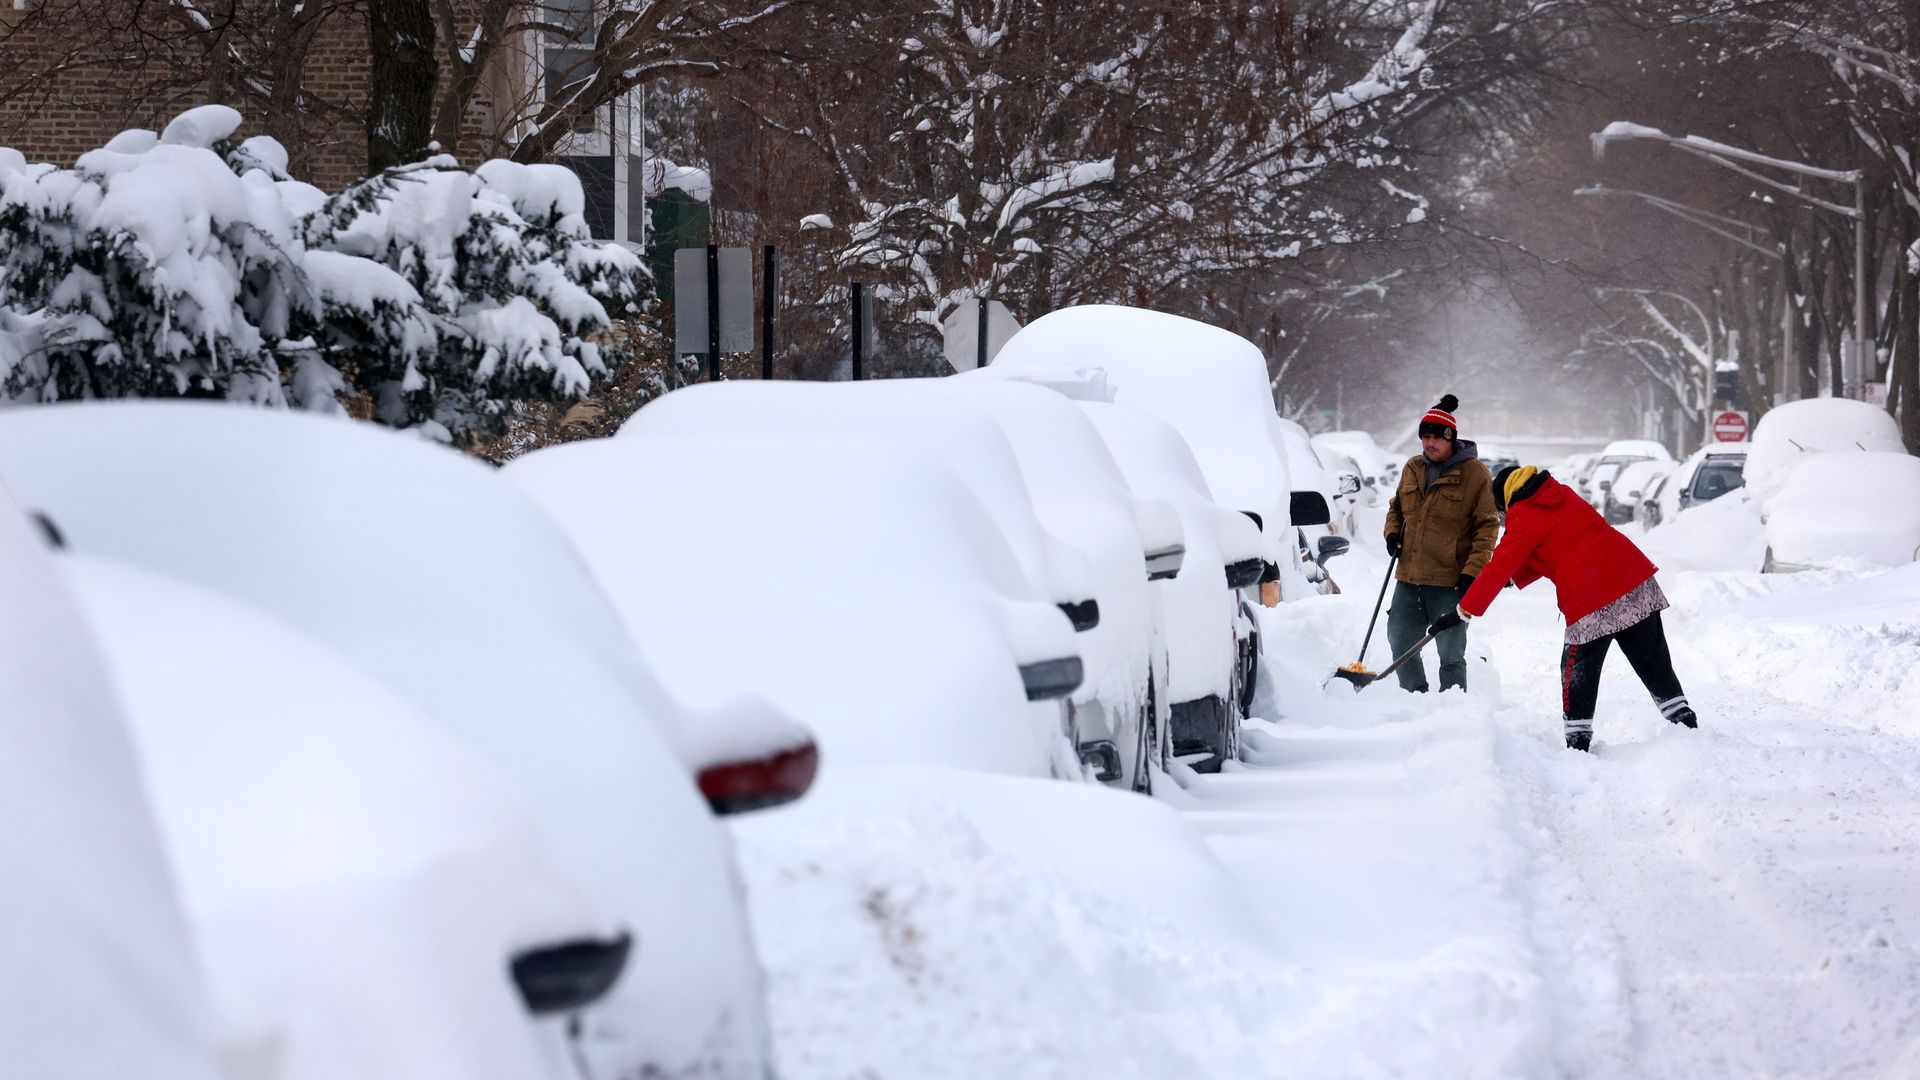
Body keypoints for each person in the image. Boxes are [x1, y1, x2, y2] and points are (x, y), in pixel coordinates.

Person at [1429, 464, 1701, 752]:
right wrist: (1515, 577)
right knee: (1652, 661)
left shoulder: (1524, 513)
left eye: (1501, 511)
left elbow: (1499, 565)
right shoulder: (1559, 494)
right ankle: (1685, 724)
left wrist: (1463, 610)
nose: (1503, 518)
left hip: (1593, 599)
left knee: (1577, 669)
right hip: (1634, 581)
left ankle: (1578, 742)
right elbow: (1554, 546)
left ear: (1505, 500)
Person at [1382, 394, 1500, 692]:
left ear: (1451, 439)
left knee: (1450, 654)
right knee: (1400, 642)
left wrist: (1472, 572)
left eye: (1436, 437)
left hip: (1450, 581)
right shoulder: (1412, 468)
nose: (1429, 443)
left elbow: (1487, 527)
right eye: (1424, 437)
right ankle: (1416, 699)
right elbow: (1396, 508)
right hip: (1409, 578)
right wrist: (1392, 534)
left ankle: (1453, 711)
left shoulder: (1475, 475)